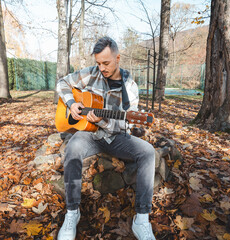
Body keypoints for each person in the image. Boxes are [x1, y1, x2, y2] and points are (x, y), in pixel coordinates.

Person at [56, 36, 156, 240]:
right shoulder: (91, 73)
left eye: (106, 63)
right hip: (88, 134)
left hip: (115, 137)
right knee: (73, 149)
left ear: (118, 58)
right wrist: (71, 104)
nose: (101, 68)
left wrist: (103, 121)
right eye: (98, 63)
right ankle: (72, 212)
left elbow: (127, 124)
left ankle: (142, 218)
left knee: (148, 152)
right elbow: (62, 83)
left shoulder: (130, 87)